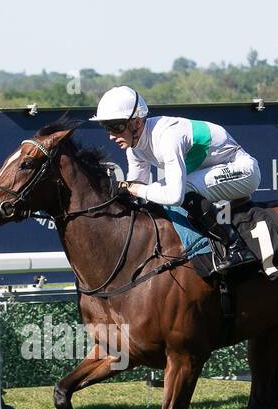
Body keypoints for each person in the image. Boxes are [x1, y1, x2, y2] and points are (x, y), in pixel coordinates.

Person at [90, 85, 260, 273]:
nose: (111, 136)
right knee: (157, 190)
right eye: (106, 127)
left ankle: (237, 246)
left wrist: (133, 189)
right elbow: (137, 186)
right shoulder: (134, 146)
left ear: (137, 123)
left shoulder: (168, 137)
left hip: (243, 171)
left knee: (178, 189)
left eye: (116, 127)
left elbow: (174, 196)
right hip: (213, 171)